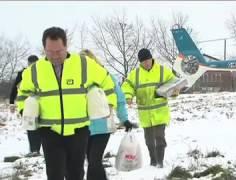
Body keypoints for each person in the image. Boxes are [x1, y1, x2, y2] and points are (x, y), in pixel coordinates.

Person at [17, 27, 117, 180]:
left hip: (79, 131)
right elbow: (22, 94)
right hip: (50, 131)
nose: (55, 56)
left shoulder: (84, 64)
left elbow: (107, 82)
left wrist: (110, 104)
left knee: (75, 174)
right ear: (44, 48)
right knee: (54, 174)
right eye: (50, 52)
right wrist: (24, 110)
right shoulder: (35, 70)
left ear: (66, 46)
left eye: (59, 51)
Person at [80, 49, 134, 180]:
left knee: (94, 160)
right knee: (92, 161)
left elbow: (120, 100)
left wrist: (124, 119)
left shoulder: (106, 77)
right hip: (83, 127)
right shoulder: (76, 79)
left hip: (103, 126)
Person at [121, 48, 179, 168]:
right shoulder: (135, 74)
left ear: (151, 58)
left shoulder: (163, 70)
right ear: (140, 62)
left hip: (160, 112)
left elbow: (174, 83)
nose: (146, 63)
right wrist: (128, 96)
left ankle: (160, 163)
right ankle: (153, 161)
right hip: (145, 114)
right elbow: (127, 86)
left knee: (160, 137)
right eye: (143, 61)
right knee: (149, 141)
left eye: (148, 60)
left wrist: (174, 91)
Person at [10, 55, 41, 157]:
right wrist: (11, 102)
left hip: (40, 105)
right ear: (28, 64)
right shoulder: (22, 73)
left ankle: (36, 150)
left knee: (39, 127)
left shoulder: (42, 72)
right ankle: (33, 150)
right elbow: (15, 88)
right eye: (30, 64)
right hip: (25, 106)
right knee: (30, 127)